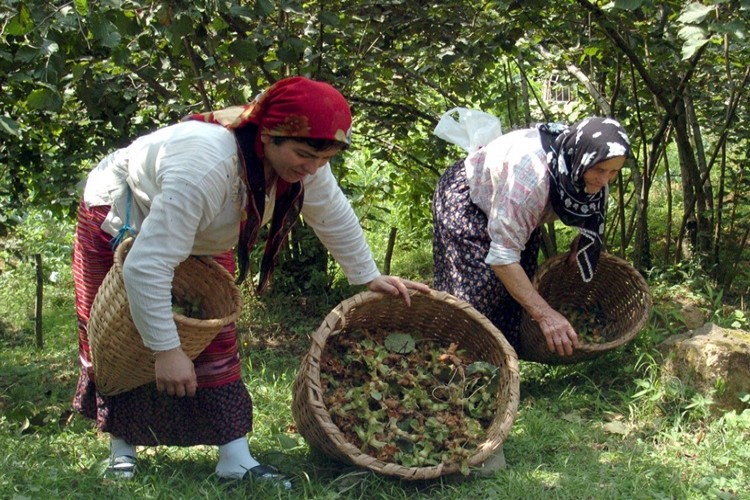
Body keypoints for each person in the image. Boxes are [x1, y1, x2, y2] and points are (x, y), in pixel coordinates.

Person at [72, 76, 430, 487]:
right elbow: (146, 267)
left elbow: (331, 213)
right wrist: (167, 350)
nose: (312, 168)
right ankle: (122, 453)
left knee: (215, 331)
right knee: (121, 337)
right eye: (303, 155)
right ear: (268, 136)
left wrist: (368, 276)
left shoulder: (303, 163)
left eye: (324, 159)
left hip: (203, 228)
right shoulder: (205, 169)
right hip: (122, 215)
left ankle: (235, 459)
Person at [432, 116, 631, 358]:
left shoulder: (587, 164)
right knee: (477, 295)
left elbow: (592, 212)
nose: (605, 179)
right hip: (469, 201)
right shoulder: (530, 179)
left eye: (613, 172)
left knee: (516, 292)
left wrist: (584, 242)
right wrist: (546, 315)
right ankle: (458, 363)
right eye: (599, 170)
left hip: (510, 209)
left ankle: (501, 360)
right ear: (580, 159)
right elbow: (502, 259)